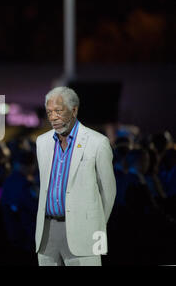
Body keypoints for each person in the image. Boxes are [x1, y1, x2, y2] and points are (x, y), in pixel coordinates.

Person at [35, 86, 116, 266]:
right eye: (49, 112)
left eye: (58, 111)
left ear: (74, 110)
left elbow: (108, 193)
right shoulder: (42, 142)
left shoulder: (98, 143)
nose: (53, 117)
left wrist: (95, 224)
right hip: (47, 232)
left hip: (85, 231)